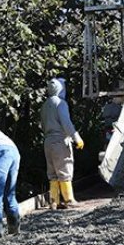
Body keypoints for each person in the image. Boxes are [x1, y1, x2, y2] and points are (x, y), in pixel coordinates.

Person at [40, 77, 84, 209]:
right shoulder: (60, 103)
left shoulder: (44, 105)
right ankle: (69, 200)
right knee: (65, 168)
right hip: (60, 141)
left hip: (48, 141)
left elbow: (42, 125)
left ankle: (54, 201)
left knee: (52, 172)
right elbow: (66, 123)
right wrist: (77, 138)